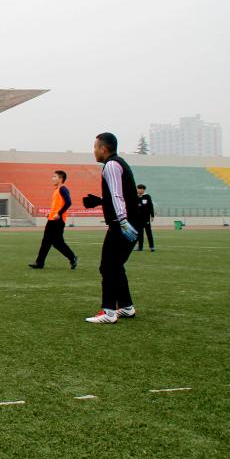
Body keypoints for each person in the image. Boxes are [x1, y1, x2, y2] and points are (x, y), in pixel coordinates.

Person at [82, 132, 140, 323]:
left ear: (103, 148)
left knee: (108, 266)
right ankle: (126, 307)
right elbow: (121, 193)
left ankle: (108, 312)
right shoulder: (119, 163)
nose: (94, 151)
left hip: (122, 224)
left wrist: (122, 221)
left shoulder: (111, 165)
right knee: (115, 265)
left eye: (95, 147)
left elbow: (117, 195)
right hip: (128, 222)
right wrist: (100, 201)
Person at [28, 170, 78, 270]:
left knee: (57, 243)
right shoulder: (56, 190)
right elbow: (57, 206)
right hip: (52, 219)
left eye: (55, 177)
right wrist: (50, 214)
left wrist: (59, 214)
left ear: (61, 179)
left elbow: (68, 202)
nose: (52, 178)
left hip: (58, 221)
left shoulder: (63, 189)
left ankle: (72, 257)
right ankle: (40, 263)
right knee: (47, 242)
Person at [135, 184, 156, 252]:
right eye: (137, 189)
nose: (137, 190)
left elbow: (150, 206)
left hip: (146, 218)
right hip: (138, 219)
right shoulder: (136, 197)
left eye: (139, 189)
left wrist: (152, 215)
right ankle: (140, 247)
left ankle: (152, 247)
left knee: (148, 232)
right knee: (140, 233)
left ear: (143, 189)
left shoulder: (147, 196)